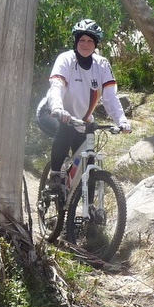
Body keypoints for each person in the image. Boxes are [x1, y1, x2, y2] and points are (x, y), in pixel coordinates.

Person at [37, 18, 132, 191]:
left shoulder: (102, 64)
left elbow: (110, 97)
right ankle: (56, 175)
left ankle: (87, 208)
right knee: (65, 128)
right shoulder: (66, 59)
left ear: (95, 44)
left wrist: (122, 121)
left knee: (88, 161)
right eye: (82, 40)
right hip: (51, 112)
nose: (86, 44)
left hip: (82, 121)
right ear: (76, 41)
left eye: (90, 41)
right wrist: (58, 108)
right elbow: (57, 86)